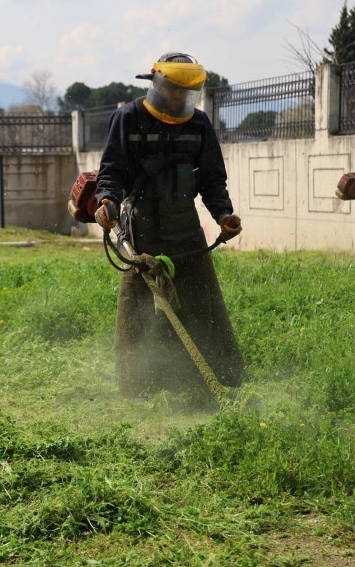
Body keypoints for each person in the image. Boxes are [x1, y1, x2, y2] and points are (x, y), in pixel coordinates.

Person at [94, 52, 245, 400]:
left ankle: (216, 376)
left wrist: (224, 215)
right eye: (173, 89)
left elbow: (211, 179)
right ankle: (139, 385)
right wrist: (107, 201)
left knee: (201, 301)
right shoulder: (128, 117)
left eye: (185, 91)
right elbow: (112, 170)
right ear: (156, 82)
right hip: (140, 227)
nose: (178, 97)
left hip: (185, 226)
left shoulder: (199, 125)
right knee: (140, 304)